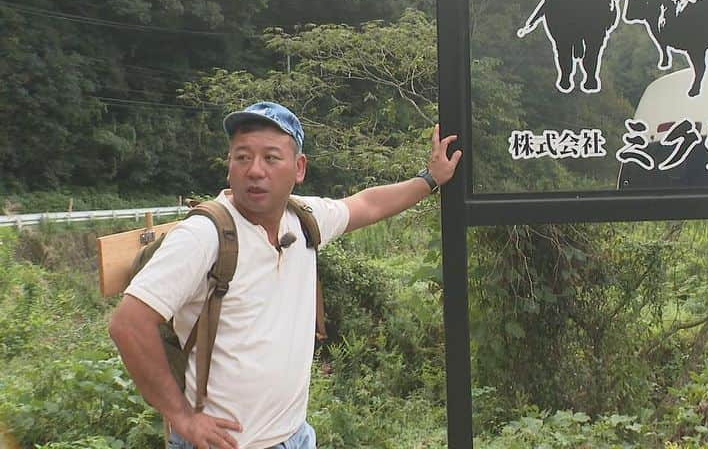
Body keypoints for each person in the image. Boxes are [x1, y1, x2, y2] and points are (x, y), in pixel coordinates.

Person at [109, 101, 461, 449]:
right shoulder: (204, 236)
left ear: (299, 167)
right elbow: (129, 324)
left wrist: (430, 179)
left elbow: (366, 204)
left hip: (294, 435)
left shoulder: (303, 219)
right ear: (229, 166)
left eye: (271, 158)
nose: (255, 170)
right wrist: (183, 417)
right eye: (242, 157)